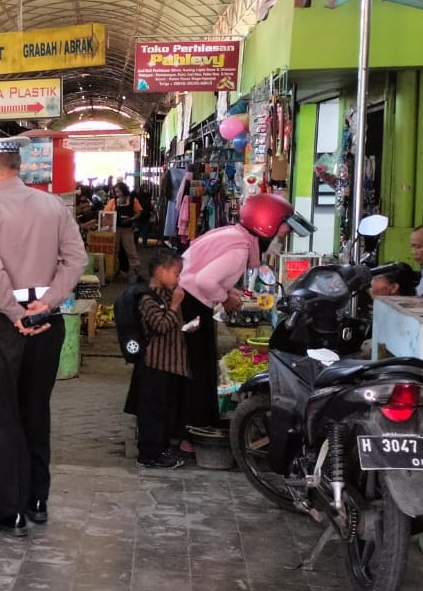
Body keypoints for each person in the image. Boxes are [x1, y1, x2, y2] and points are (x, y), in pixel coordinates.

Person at [0, 136, 89, 538]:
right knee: (36, 409)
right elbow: (76, 259)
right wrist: (48, 302)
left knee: (0, 416)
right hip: (49, 321)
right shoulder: (53, 205)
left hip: (4, 322)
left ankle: (8, 510)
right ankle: (37, 499)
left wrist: (16, 314)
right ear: (17, 167)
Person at [178, 193, 306, 438]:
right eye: (281, 234)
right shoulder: (239, 249)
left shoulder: (235, 235)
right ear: (265, 227)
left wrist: (228, 291)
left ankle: (191, 429)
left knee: (199, 367)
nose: (281, 241)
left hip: (190, 302)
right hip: (191, 306)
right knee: (198, 369)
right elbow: (205, 279)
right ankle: (192, 432)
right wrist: (226, 299)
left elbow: (206, 270)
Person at [123, 248, 188, 469]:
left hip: (172, 364)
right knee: (153, 412)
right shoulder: (147, 299)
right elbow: (159, 326)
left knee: (166, 410)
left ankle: (161, 451)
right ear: (160, 271)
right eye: (176, 273)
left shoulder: (167, 295)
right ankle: (149, 454)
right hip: (155, 364)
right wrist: (175, 306)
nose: (179, 278)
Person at [112, 181, 145, 278]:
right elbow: (108, 212)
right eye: (116, 192)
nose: (117, 194)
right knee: (116, 249)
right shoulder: (114, 201)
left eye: (118, 191)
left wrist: (131, 219)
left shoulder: (132, 200)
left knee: (130, 249)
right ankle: (117, 270)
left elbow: (139, 212)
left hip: (127, 228)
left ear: (123, 190)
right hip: (117, 228)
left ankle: (136, 272)